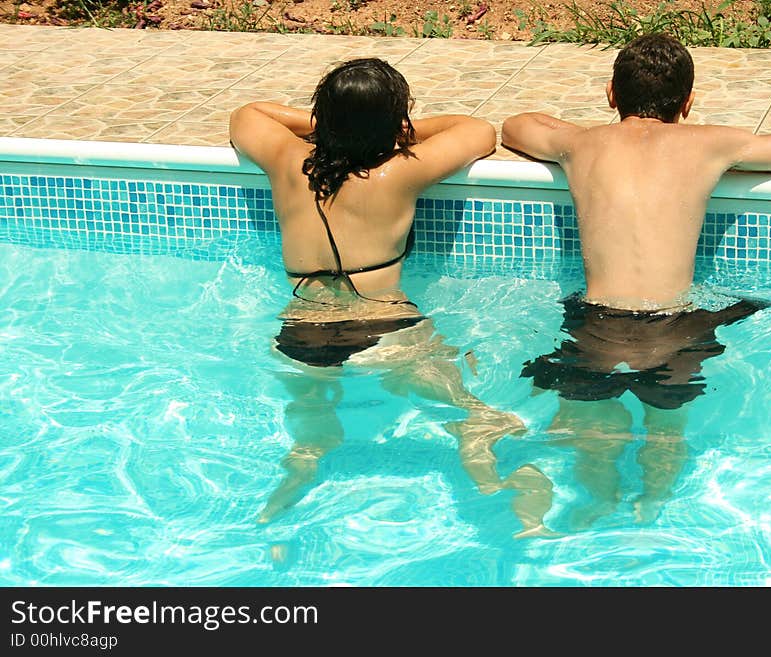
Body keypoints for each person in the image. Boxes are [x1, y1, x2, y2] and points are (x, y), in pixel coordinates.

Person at [501, 33, 771, 527]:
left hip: (597, 329)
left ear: (611, 95)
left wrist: (582, 132)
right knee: (667, 434)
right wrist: (731, 143)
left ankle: (596, 504)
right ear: (688, 101)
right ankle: (650, 509)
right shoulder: (709, 142)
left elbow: (516, 126)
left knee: (592, 438)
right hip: (676, 330)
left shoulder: (580, 143)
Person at [229, 58, 551, 536]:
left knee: (313, 434)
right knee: (468, 410)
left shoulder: (285, 160)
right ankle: (488, 474)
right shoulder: (400, 172)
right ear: (395, 122)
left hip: (301, 334)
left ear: (324, 115)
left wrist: (326, 126)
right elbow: (478, 131)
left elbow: (245, 115)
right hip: (384, 327)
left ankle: (287, 493)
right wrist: (401, 131)